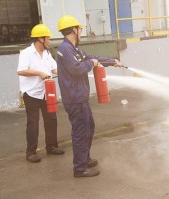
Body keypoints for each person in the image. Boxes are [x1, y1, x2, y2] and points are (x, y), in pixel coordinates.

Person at [56, 15, 123, 178]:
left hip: (80, 98)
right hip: (75, 99)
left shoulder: (74, 49)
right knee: (80, 132)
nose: (80, 31)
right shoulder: (65, 49)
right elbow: (77, 69)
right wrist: (91, 64)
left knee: (89, 128)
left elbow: (93, 57)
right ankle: (80, 168)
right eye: (79, 29)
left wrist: (112, 61)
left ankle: (84, 158)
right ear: (73, 30)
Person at [17, 24, 65, 163]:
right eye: (47, 37)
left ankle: (51, 146)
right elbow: (21, 71)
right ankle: (31, 152)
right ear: (40, 38)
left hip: (46, 92)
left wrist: (67, 73)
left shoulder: (47, 54)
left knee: (51, 119)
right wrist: (39, 73)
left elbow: (55, 69)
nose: (49, 40)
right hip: (31, 93)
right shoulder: (26, 53)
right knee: (33, 123)